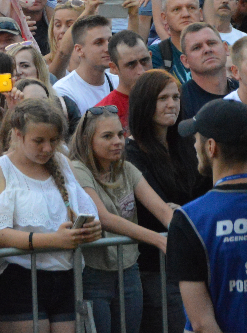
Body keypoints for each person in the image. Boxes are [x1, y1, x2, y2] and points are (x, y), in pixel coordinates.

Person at [0, 99, 102, 329]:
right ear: (18, 135)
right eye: (38, 141)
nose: (47, 148)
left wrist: (90, 229)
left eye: (53, 141)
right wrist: (53, 240)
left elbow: (85, 211)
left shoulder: (62, 163)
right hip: (19, 279)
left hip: (65, 276)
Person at [68, 105, 174, 333]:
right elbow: (103, 217)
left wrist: (183, 232)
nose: (117, 141)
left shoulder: (127, 168)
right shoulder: (77, 169)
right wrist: (158, 239)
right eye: (107, 136)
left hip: (129, 269)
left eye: (120, 134)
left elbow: (162, 210)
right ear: (88, 140)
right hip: (94, 273)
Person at [125, 69, 208, 333]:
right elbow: (158, 206)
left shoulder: (185, 143)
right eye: (163, 98)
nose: (172, 104)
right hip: (154, 268)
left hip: (191, 261)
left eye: (175, 97)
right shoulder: (131, 152)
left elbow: (203, 192)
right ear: (145, 103)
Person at [167, 99, 247, 333]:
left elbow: (202, 324)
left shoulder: (190, 219)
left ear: (211, 147)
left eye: (196, 139)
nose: (194, 146)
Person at [53, 15, 120, 112]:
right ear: (79, 50)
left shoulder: (118, 83)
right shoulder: (64, 91)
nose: (107, 48)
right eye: (98, 43)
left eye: (110, 41)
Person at [178, 23, 236, 119]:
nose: (207, 50)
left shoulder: (242, 91)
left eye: (212, 43)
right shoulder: (179, 100)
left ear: (226, 48)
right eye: (197, 47)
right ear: (185, 61)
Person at [94, 30, 152, 127]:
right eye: (131, 64)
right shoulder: (102, 115)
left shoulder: (169, 99)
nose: (141, 71)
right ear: (114, 68)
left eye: (144, 61)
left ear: (151, 56)